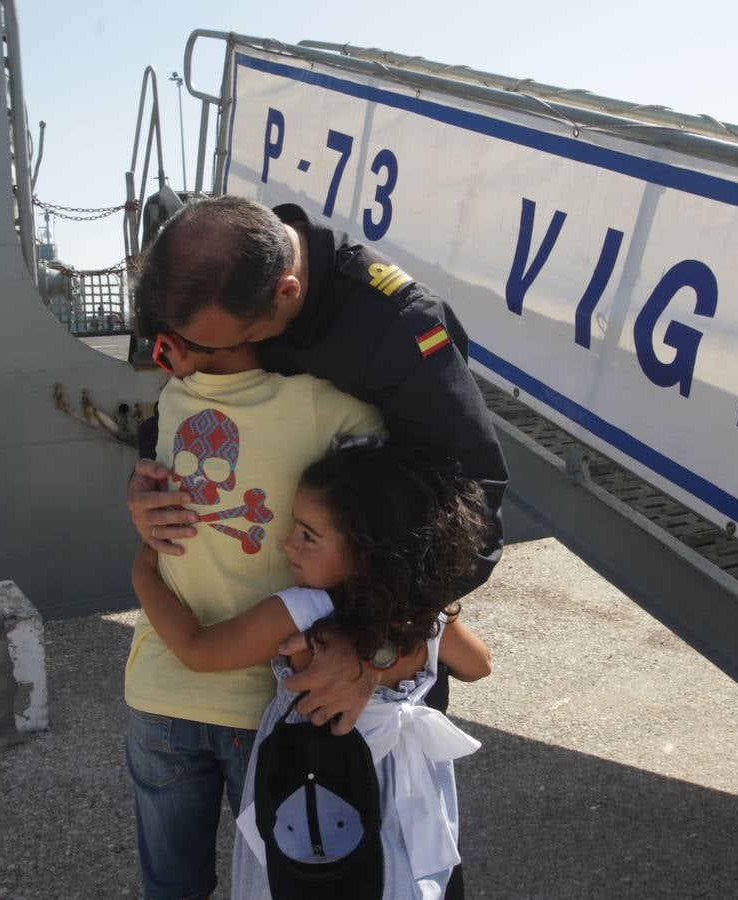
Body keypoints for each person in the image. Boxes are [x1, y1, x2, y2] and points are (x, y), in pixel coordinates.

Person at [127, 195, 508, 733]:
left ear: (287, 292)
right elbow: (189, 410)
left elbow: (473, 502)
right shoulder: (220, 297)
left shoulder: (396, 325)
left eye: (231, 344)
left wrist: (370, 644)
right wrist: (147, 486)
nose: (195, 361)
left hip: (369, 665)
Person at [124, 255, 385, 900]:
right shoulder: (324, 407)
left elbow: (160, 518)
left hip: (157, 695)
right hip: (264, 707)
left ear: (174, 346)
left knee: (170, 885)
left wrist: (139, 561)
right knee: (280, 881)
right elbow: (400, 482)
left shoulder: (173, 399)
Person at [130, 442, 493, 898]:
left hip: (322, 792)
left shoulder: (304, 611)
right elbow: (479, 666)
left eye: (307, 535)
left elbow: (198, 650)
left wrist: (143, 572)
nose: (288, 544)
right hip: (405, 796)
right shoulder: (426, 616)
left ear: (366, 552)